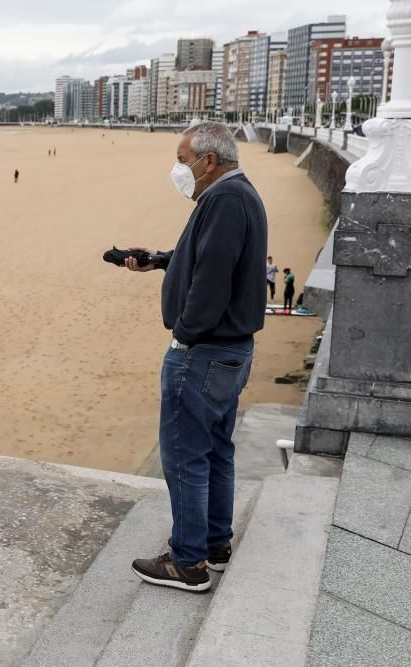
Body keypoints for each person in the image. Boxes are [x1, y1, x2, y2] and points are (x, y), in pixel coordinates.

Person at [122, 122, 267, 593]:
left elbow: (212, 277)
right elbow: (203, 257)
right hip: (230, 349)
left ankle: (187, 562)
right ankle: (214, 544)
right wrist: (162, 259)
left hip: (205, 350)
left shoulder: (225, 201)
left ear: (208, 161)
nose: (179, 170)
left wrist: (184, 335)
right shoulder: (235, 195)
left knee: (185, 456)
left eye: (183, 161)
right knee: (217, 449)